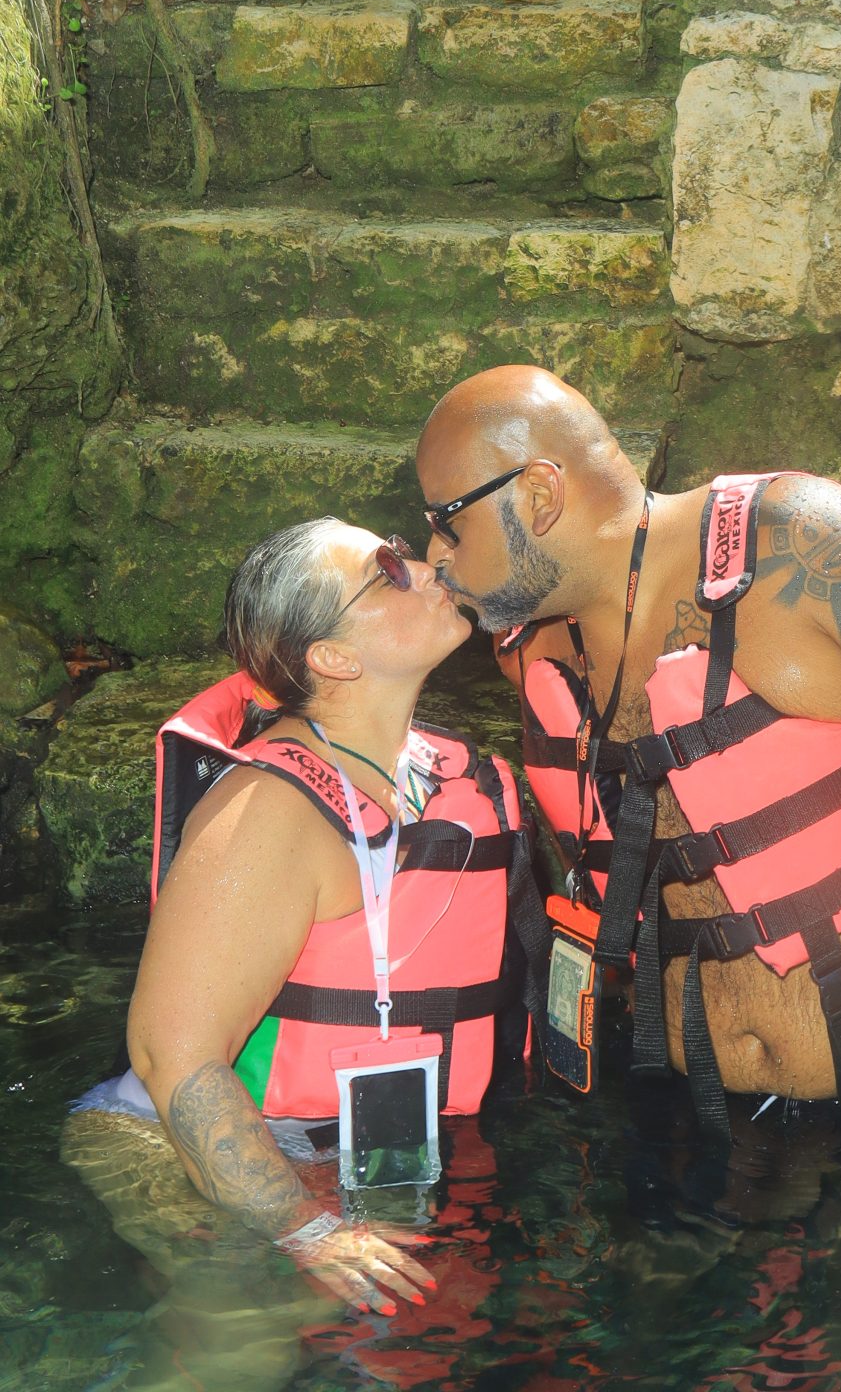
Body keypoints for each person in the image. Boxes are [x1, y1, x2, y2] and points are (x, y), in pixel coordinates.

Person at [415, 367, 841, 1148]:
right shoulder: (531, 648)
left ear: (538, 494)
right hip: (693, 1104)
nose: (436, 554)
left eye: (446, 523)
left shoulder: (799, 543)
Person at [67, 517, 536, 1316]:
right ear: (333, 658)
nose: (427, 568)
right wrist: (305, 1231)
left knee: (435, 1334)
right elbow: (172, 1055)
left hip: (354, 1145)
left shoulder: (446, 776)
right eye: (388, 572)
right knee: (245, 1353)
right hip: (182, 1148)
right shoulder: (267, 812)